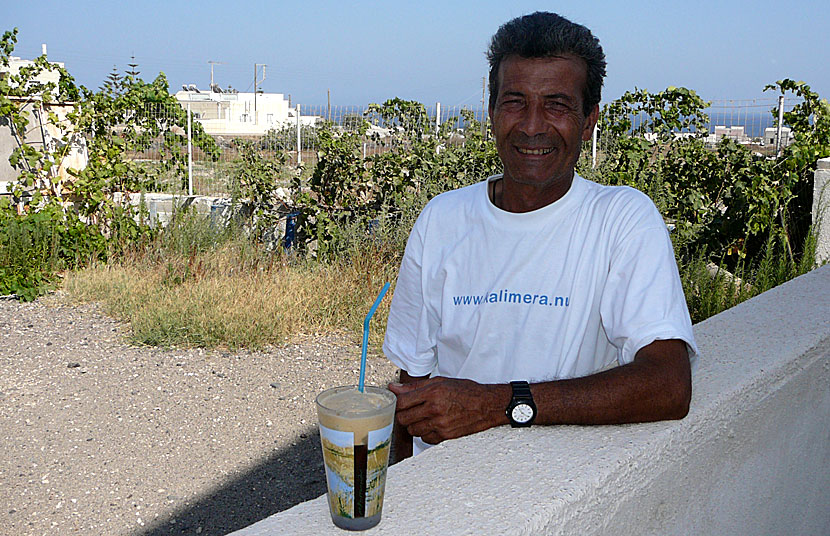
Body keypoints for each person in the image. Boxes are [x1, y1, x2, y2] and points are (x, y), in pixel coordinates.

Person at [383, 11, 699, 461]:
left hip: (554, 497)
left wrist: (499, 405)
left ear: (589, 120)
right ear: (491, 112)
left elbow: (668, 385)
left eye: (557, 104)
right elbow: (409, 391)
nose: (532, 125)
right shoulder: (441, 220)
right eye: (514, 101)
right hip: (446, 493)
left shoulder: (620, 220)